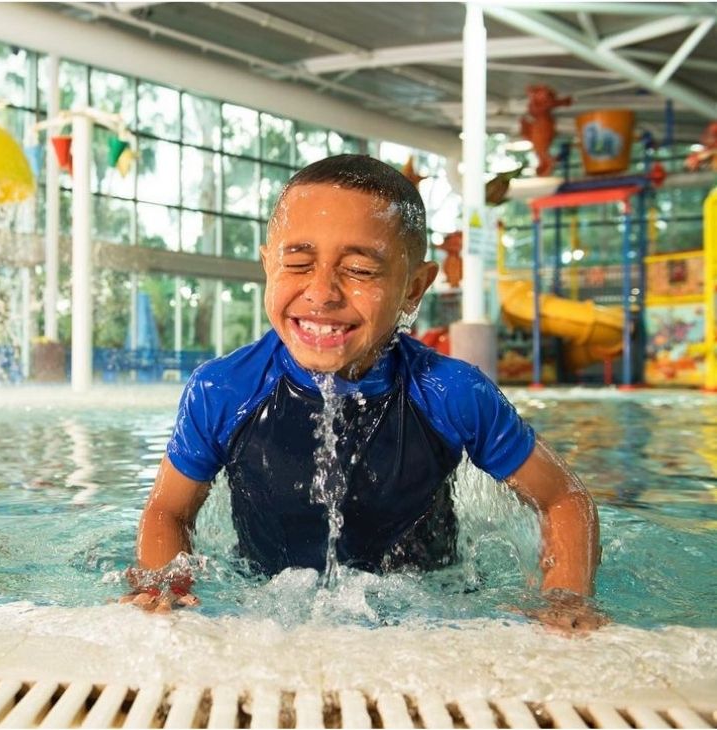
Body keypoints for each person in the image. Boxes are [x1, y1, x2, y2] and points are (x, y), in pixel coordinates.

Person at [121, 154, 604, 632]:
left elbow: (563, 497)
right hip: (267, 610)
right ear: (268, 264)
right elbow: (169, 509)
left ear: (414, 288)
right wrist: (166, 584)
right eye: (298, 262)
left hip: (431, 611)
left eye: (360, 270)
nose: (322, 292)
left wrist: (564, 594)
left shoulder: (450, 393)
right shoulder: (223, 389)